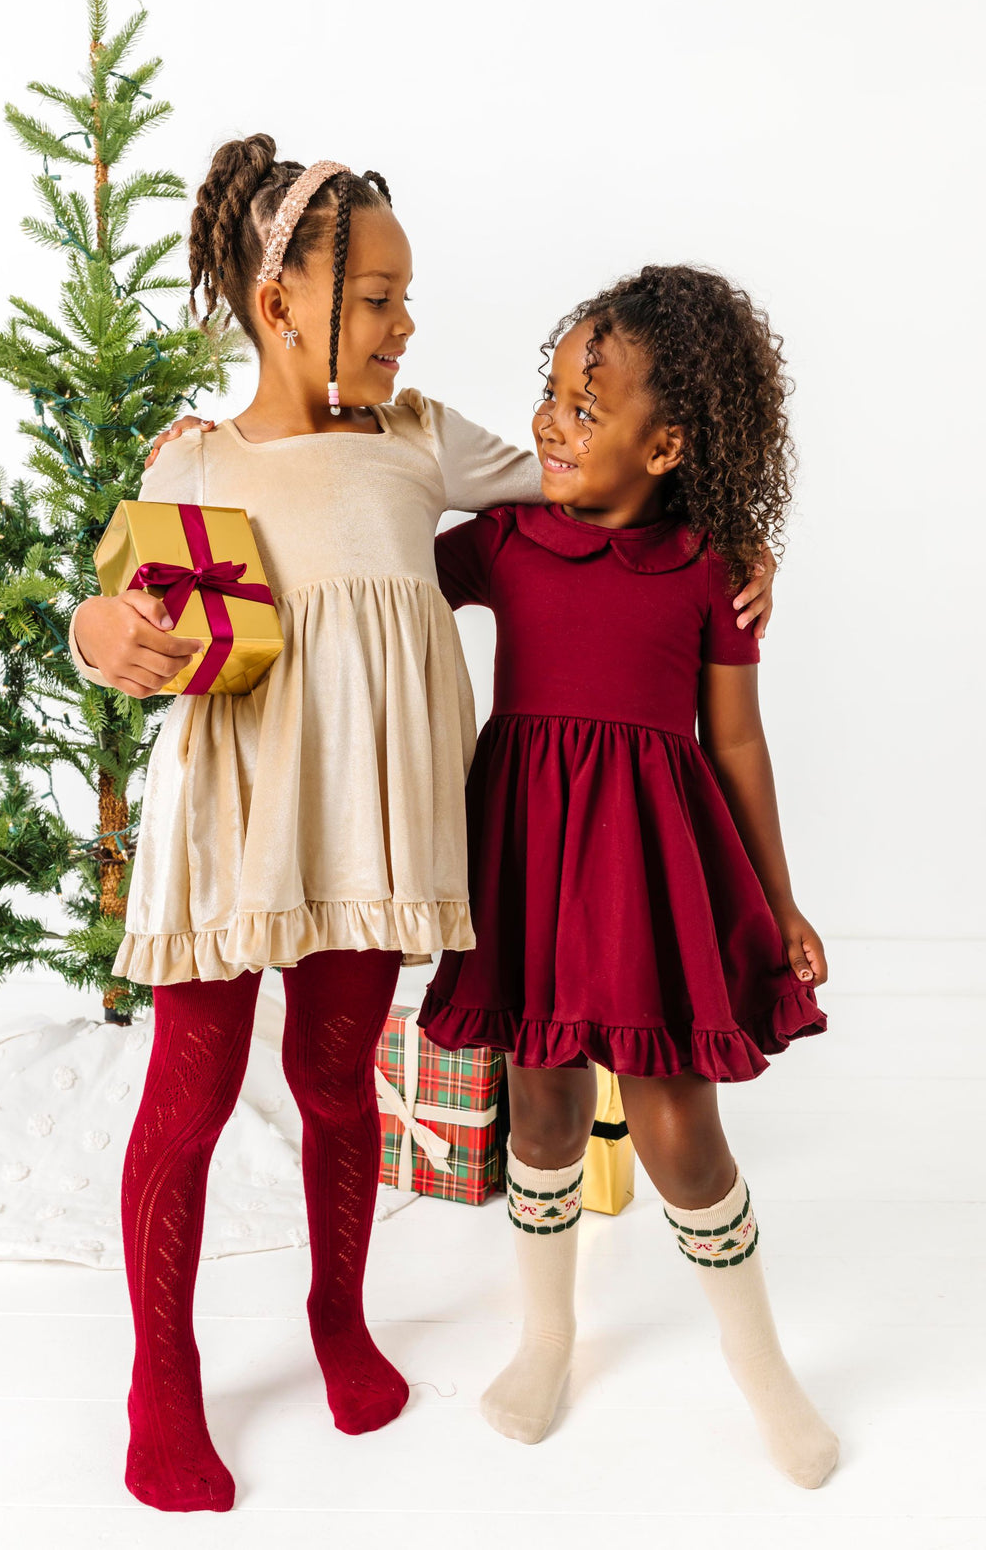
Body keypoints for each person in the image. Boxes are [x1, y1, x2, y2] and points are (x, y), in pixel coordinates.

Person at [418, 266, 838, 1489]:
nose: (553, 423)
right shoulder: (504, 543)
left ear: (666, 445)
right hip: (529, 859)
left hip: (649, 871)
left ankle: (764, 1373)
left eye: (585, 408)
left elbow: (738, 739)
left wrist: (783, 896)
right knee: (539, 1104)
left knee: (675, 1124)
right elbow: (380, 565)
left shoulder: (711, 570)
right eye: (551, 393)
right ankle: (547, 1335)